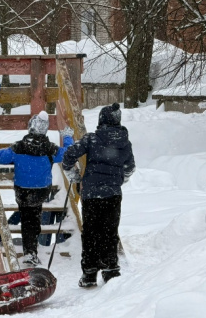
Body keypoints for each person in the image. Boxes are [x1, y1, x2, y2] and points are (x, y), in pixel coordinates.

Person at [0, 111, 74, 267]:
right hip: (41, 191)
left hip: (23, 191)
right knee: (33, 217)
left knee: (27, 217)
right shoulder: (50, 149)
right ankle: (31, 249)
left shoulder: (18, 147)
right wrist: (67, 137)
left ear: (30, 128)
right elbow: (68, 153)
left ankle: (28, 250)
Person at [61, 103, 135, 288]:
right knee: (109, 231)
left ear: (101, 119)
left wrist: (74, 175)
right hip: (113, 194)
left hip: (92, 194)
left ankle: (89, 273)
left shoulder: (91, 139)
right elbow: (130, 167)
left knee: (91, 232)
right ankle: (110, 269)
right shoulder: (124, 142)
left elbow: (69, 156)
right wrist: (118, 180)